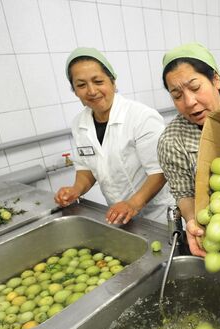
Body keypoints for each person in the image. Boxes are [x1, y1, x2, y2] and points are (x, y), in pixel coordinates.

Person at [55, 47, 173, 225]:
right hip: (119, 215)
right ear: (74, 90)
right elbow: (86, 168)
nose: (92, 91)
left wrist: (132, 204)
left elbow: (160, 172)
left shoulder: (141, 117)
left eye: (98, 81)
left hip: (158, 216)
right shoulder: (79, 124)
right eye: (81, 85)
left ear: (113, 82)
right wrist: (76, 189)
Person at [157, 42, 220, 257]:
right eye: (177, 95)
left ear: (215, 79)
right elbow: (184, 194)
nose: (189, 102)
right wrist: (192, 221)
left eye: (195, 88)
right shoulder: (172, 140)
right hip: (216, 235)